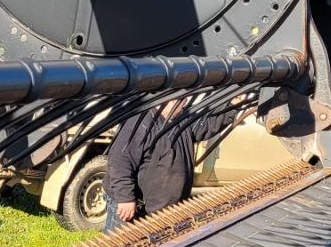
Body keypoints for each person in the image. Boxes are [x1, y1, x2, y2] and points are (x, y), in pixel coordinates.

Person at [104, 96, 245, 228]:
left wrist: (232, 105)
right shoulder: (141, 123)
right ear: (171, 100)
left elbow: (206, 126)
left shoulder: (182, 119)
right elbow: (119, 163)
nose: (185, 103)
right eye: (183, 100)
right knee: (122, 245)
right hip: (133, 206)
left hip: (162, 209)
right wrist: (126, 198)